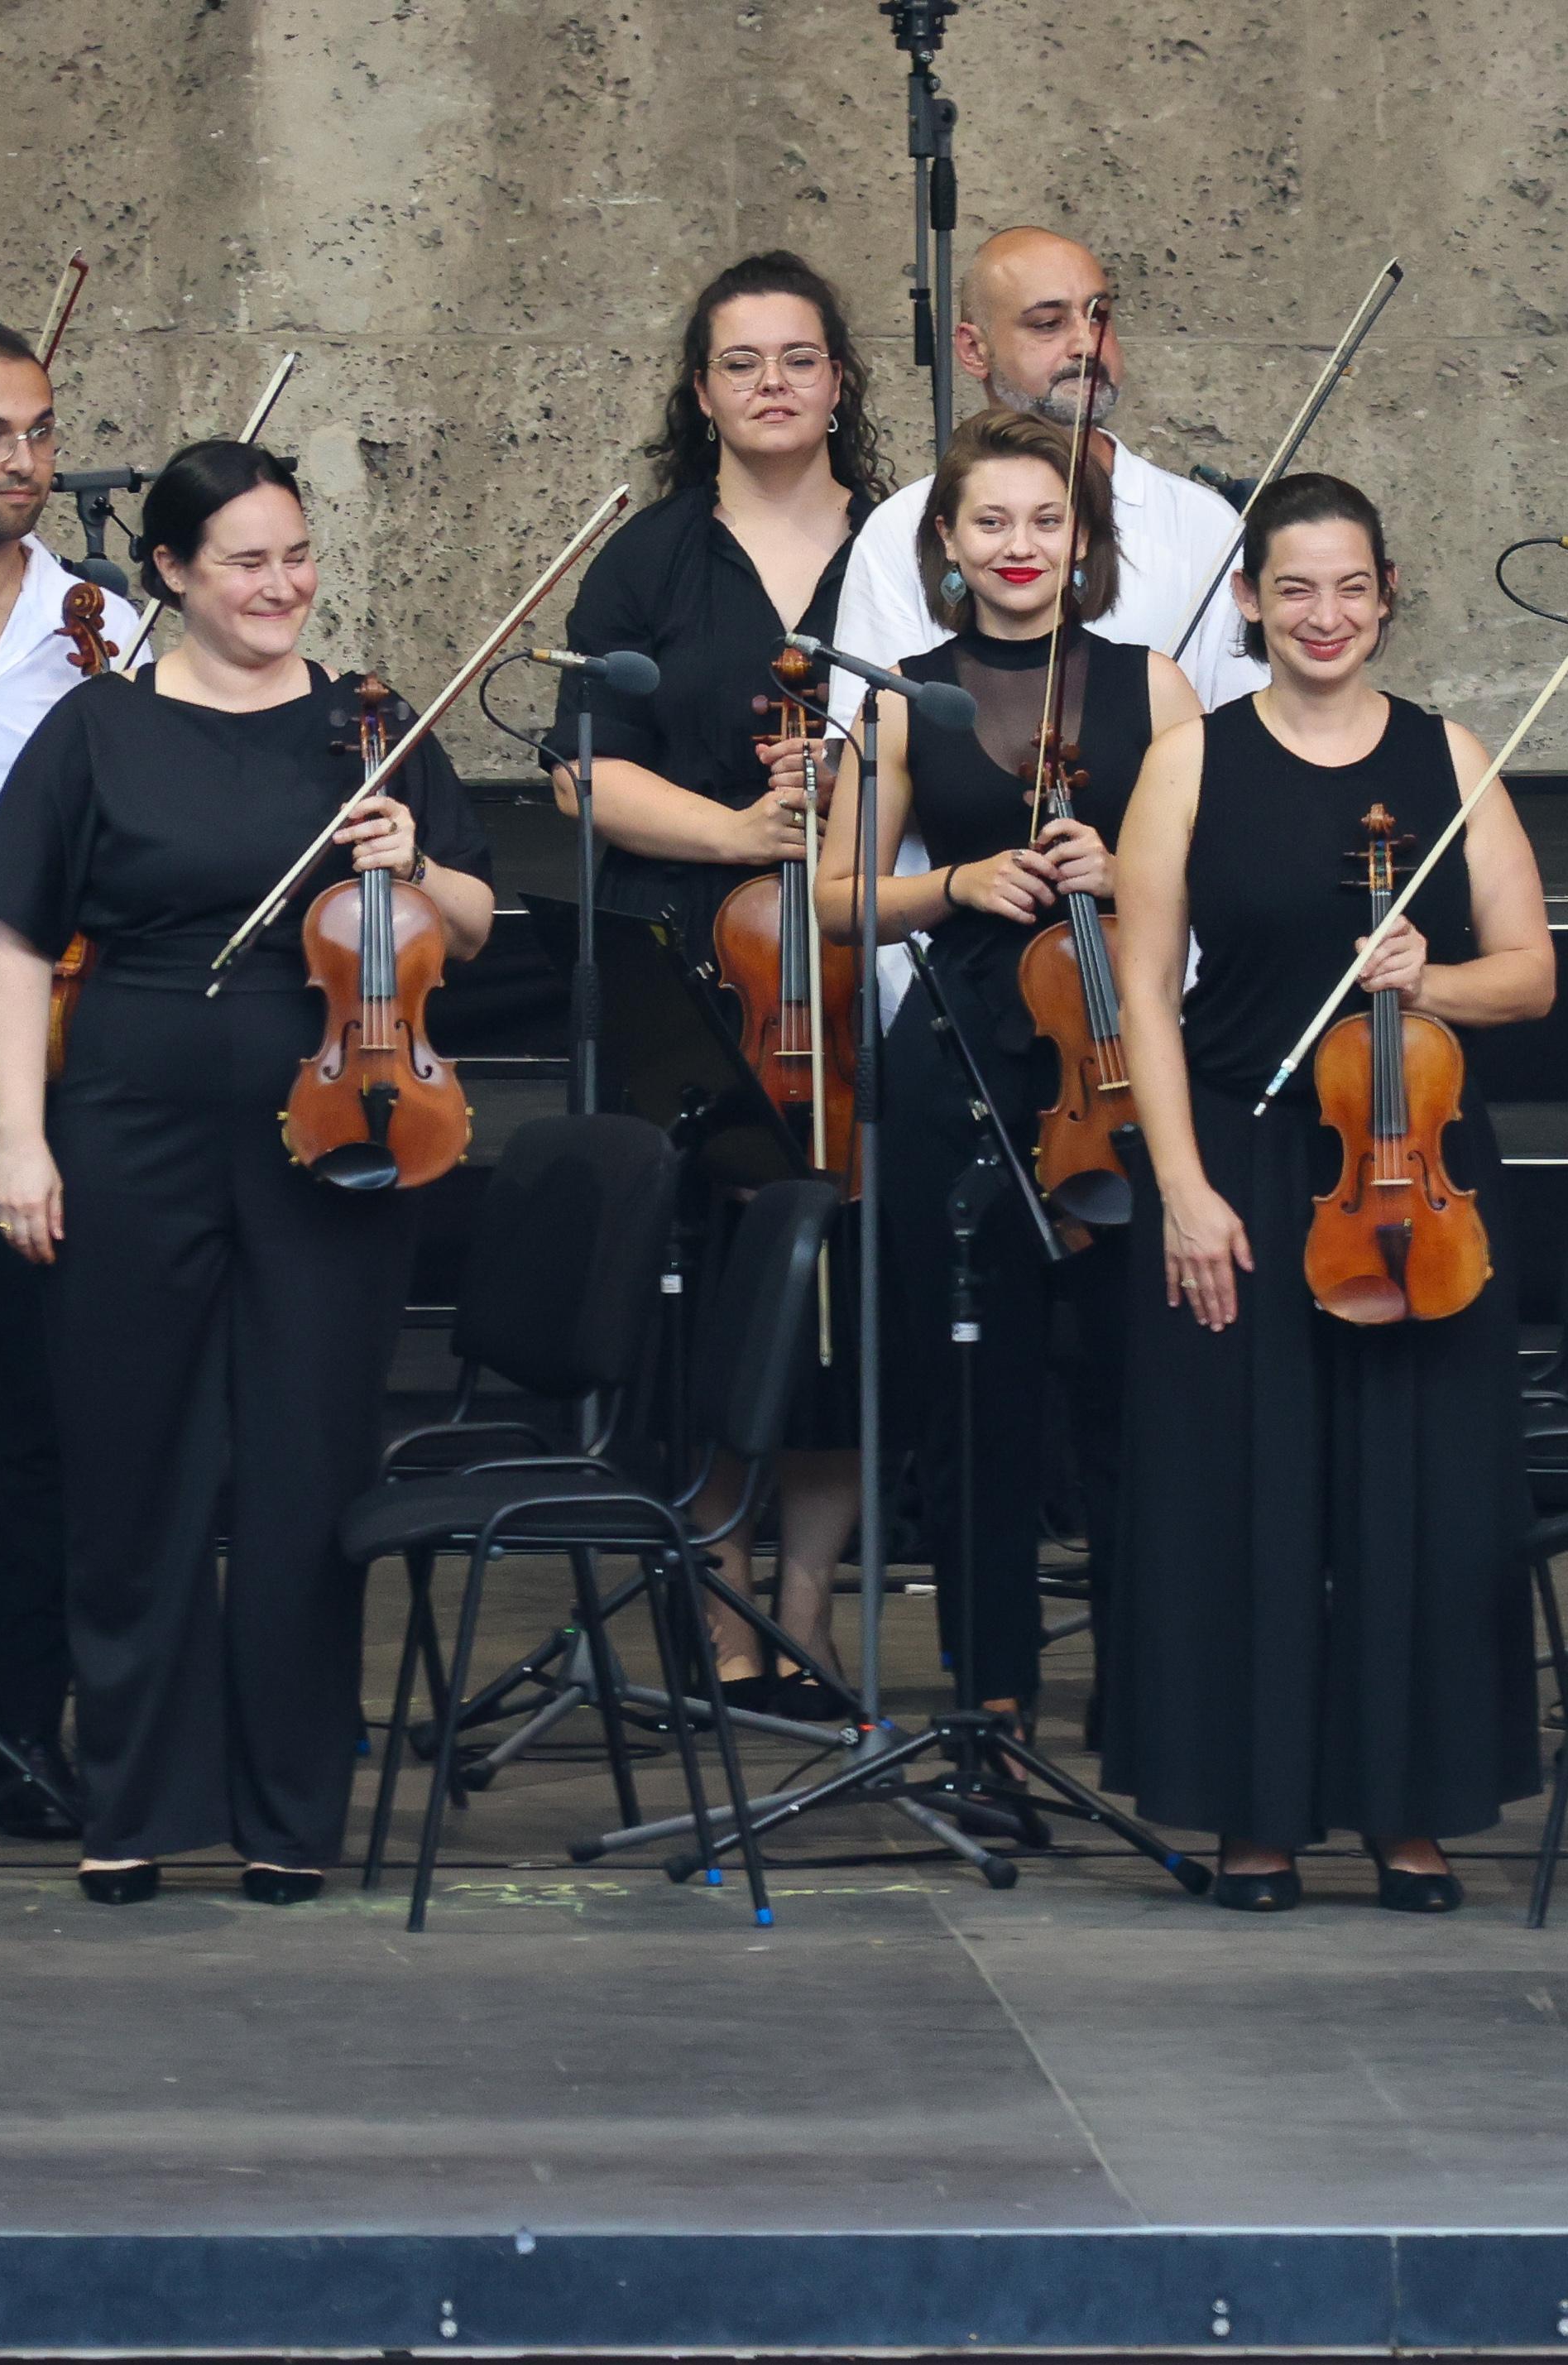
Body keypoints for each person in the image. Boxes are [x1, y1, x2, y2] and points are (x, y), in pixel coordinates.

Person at [0, 439, 496, 1905]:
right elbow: (16, 947)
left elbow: (477, 920)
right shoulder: (97, 732)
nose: (282, 585)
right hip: (129, 1116)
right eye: (247, 560)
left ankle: (285, 1810)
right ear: (176, 575)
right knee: (131, 1463)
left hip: (343, 1119)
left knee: (303, 1472)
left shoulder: (370, 731)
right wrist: (21, 1136)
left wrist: (413, 864)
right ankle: (133, 1799)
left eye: (298, 553)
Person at [1100, 473, 1548, 1914]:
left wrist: (1437, 976)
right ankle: (1256, 1812)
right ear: (1248, 602)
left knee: (1414, 1491)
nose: (1324, 614)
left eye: (1349, 586)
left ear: (1387, 593)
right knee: (1244, 1494)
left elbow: (1531, 976)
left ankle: (1408, 1809)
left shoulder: (1450, 756)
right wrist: (1179, 1185)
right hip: (1242, 1155)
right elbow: (1142, 1001)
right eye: (1293, 588)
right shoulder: (1192, 764)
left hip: (1407, 1164)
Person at [820, 409, 1197, 1729]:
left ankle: (1148, 1695)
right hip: (955, 1071)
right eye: (990, 522)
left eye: (1047, 520)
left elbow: (1214, 886)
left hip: (1116, 1070)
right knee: (973, 1393)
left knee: (1129, 1394)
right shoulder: (900, 693)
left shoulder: (1154, 687)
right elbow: (831, 898)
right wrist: (957, 882)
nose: (1019, 545)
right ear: (945, 542)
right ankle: (990, 1698)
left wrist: (1132, 877)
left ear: (1082, 538)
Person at [550, 249, 887, 1704]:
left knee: (842, 1291)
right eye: (740, 363)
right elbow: (580, 771)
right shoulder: (651, 557)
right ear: (701, 392)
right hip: (685, 968)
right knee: (704, 1293)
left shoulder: (903, 545)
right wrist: (745, 832)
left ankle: (809, 1589)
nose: (770, 385)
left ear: (838, 381)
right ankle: (718, 1590)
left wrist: (846, 819)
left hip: (860, 963)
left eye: (797, 358)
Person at [0, 319, 122, 1839]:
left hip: (35, 1034)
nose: (26, 461)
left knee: (29, 1401)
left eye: (40, 431)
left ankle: (26, 1735)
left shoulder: (95, 626)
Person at [828, 227, 1262, 716]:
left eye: (1099, 318)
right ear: (974, 350)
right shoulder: (902, 527)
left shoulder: (1203, 525)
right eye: (1048, 324)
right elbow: (867, 742)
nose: (1086, 344)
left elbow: (1240, 733)